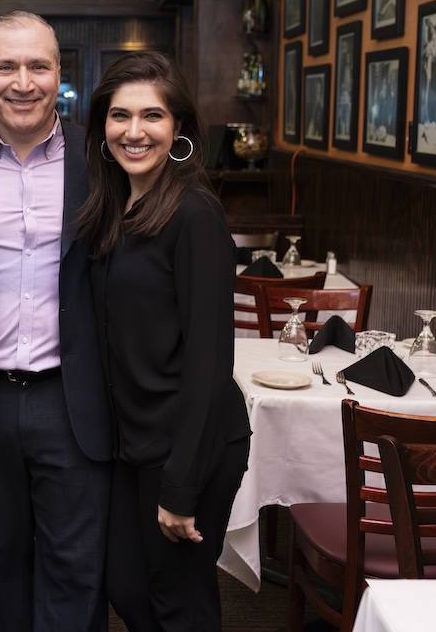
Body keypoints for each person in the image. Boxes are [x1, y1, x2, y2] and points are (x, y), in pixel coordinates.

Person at [0, 11, 114, 632]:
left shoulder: (104, 159)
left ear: (60, 74)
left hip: (74, 398)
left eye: (38, 65)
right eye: (6, 66)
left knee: (77, 568)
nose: (23, 81)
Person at [76, 51, 249, 631]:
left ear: (178, 127)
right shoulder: (115, 204)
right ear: (102, 126)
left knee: (180, 602)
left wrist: (180, 486)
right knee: (125, 585)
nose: (134, 131)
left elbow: (209, 361)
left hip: (190, 443)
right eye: (119, 116)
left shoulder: (194, 214)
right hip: (135, 441)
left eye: (152, 115)